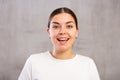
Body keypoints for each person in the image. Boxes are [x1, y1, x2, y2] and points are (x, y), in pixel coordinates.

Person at [18, 7, 100, 80]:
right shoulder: (33, 62)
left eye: (69, 26)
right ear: (48, 32)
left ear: (76, 32)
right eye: (56, 26)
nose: (62, 32)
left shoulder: (88, 64)